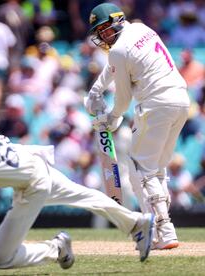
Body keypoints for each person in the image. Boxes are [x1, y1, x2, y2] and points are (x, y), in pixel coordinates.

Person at [0, 102, 154, 270]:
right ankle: (135, 222)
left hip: (32, 186)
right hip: (35, 166)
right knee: (85, 196)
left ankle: (54, 248)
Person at [84, 3, 190, 250]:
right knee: (156, 169)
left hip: (155, 105)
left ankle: (163, 231)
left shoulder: (118, 50)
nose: (103, 36)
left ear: (117, 21)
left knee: (140, 170)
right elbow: (117, 66)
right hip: (181, 101)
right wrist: (97, 89)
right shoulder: (143, 30)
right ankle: (159, 231)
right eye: (100, 33)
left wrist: (112, 117)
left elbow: (122, 98)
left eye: (105, 30)